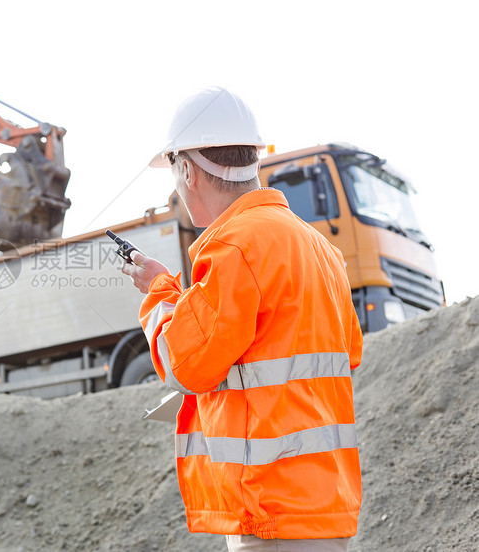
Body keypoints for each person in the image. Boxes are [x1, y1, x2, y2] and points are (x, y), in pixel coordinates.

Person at [120, 86, 362, 552]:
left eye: (174, 173)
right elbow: (343, 356)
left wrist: (159, 290)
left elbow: (185, 365)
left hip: (269, 506)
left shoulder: (232, 246)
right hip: (323, 502)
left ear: (187, 170)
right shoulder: (319, 248)